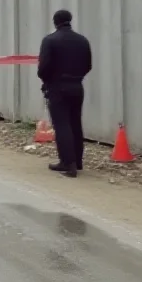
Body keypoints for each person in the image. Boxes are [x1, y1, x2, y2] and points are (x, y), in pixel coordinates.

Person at [37, 9, 92, 178]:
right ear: (70, 20)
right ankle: (78, 161)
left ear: (55, 22)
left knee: (62, 124)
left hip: (58, 86)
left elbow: (43, 67)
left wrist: (47, 80)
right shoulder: (82, 40)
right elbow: (88, 65)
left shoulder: (50, 40)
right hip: (77, 85)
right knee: (75, 123)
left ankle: (68, 163)